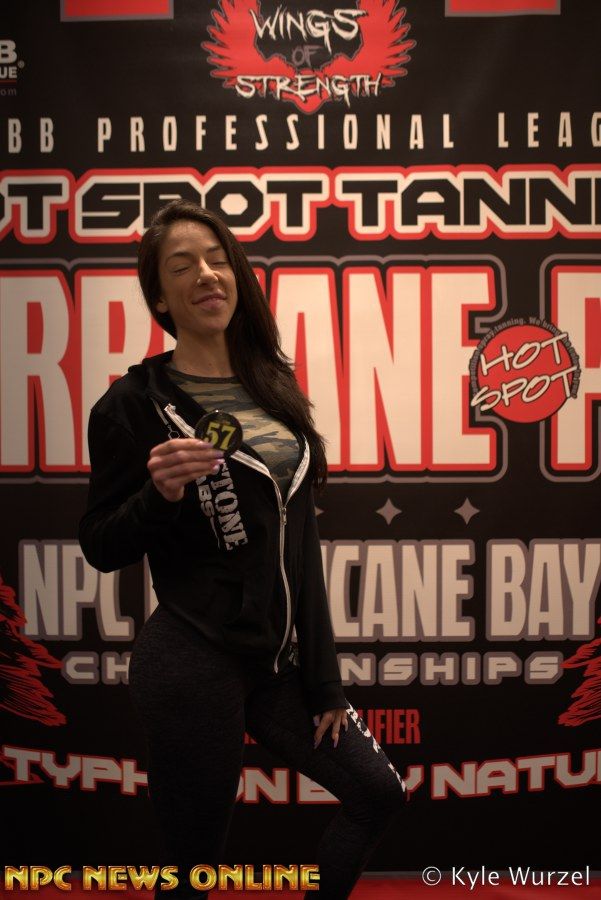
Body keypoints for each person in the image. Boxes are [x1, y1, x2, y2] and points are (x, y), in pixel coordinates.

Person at [78, 199, 407, 899]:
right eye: (181, 266)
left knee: (376, 791)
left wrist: (324, 681)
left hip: (278, 663)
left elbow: (302, 542)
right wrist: (158, 495)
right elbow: (101, 545)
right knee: (193, 865)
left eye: (216, 258)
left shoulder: (272, 384)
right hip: (191, 659)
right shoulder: (133, 403)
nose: (206, 274)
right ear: (159, 297)